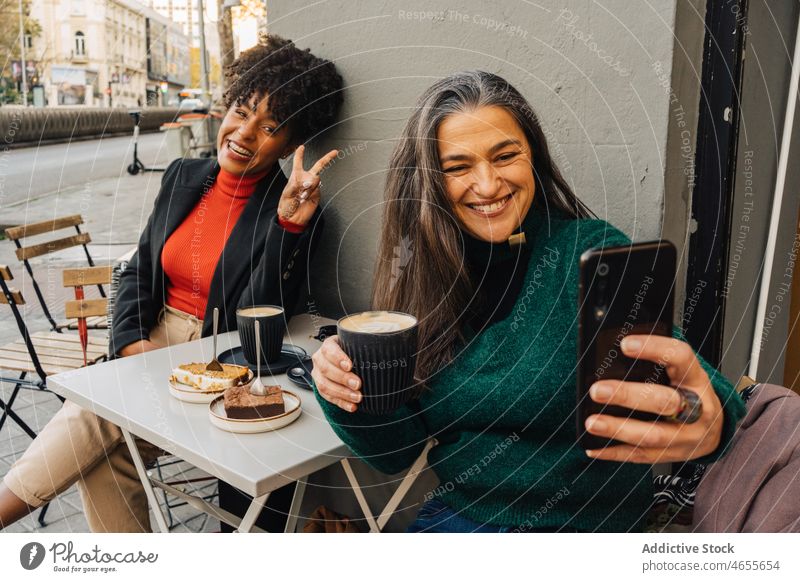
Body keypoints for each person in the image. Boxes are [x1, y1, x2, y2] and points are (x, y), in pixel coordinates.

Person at [310, 71, 746, 533]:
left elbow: (689, 382)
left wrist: (708, 417)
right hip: (464, 518)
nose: (488, 184)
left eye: (505, 156)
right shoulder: (418, 274)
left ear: (532, 157)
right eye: (458, 167)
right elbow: (393, 451)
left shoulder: (586, 254)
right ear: (429, 182)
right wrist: (339, 389)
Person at [0, 35, 343, 532]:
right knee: (107, 461)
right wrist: (133, 344)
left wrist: (287, 227)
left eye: (268, 127)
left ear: (289, 144)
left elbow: (259, 317)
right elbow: (139, 270)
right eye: (241, 112)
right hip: (152, 342)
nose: (244, 133)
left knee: (96, 412)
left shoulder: (293, 211)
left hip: (214, 358)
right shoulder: (183, 176)